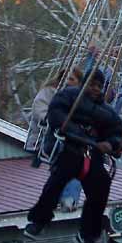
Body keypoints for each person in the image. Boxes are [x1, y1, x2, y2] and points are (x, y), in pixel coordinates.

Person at [24, 69, 122, 243]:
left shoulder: (107, 110)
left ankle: (88, 235)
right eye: (91, 84)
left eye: (98, 86)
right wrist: (75, 132)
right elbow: (56, 113)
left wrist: (111, 144)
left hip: (92, 154)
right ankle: (39, 220)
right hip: (71, 148)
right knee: (56, 183)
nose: (95, 89)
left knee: (101, 189)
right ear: (84, 84)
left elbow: (118, 132)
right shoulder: (69, 96)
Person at [25, 67, 84, 212]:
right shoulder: (50, 92)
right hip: (49, 136)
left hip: (72, 138)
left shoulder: (81, 97)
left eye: (72, 80)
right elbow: (39, 110)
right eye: (66, 79)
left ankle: (64, 198)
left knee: (78, 162)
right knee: (71, 159)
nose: (68, 83)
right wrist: (56, 121)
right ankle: (67, 198)